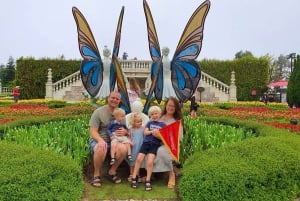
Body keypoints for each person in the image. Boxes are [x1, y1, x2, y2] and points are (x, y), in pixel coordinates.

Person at [89, 91, 128, 187]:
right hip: (100, 139)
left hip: (116, 140)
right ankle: (96, 175)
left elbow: (127, 130)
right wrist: (100, 140)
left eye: (117, 99)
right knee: (101, 147)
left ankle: (112, 171)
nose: (114, 100)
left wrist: (125, 132)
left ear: (119, 101)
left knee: (123, 149)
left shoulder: (121, 113)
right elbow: (93, 131)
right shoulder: (99, 112)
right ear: (108, 98)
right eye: (113, 98)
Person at [131, 106, 166, 191]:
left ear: (160, 114)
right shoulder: (150, 123)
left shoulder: (163, 125)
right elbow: (145, 132)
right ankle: (134, 177)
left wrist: (158, 135)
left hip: (154, 144)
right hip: (146, 143)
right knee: (139, 159)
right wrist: (152, 132)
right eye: (152, 114)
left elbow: (164, 137)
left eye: (156, 113)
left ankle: (148, 180)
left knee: (150, 161)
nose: (154, 115)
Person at [152, 96, 184, 189]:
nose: (170, 108)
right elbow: (149, 125)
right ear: (166, 106)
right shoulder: (159, 117)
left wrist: (161, 137)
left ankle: (171, 174)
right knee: (147, 150)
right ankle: (151, 175)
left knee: (161, 151)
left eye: (173, 106)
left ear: (176, 108)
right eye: (169, 105)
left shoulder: (176, 122)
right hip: (155, 142)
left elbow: (179, 138)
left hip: (170, 146)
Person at [127, 112, 144, 182]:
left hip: (140, 147)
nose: (140, 123)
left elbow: (145, 137)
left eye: (141, 121)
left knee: (138, 161)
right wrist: (130, 142)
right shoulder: (131, 129)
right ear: (133, 122)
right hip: (133, 148)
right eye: (137, 122)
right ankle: (131, 174)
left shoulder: (143, 129)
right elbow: (129, 138)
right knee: (132, 161)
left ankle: (137, 174)